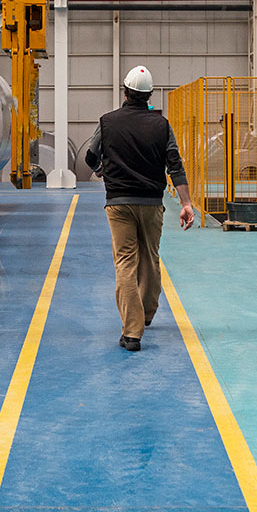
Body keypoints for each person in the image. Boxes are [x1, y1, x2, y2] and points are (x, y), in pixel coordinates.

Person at [84, 65, 196, 352]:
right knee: (150, 258)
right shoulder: (162, 126)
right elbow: (175, 165)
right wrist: (186, 203)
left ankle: (132, 332)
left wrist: (101, 171)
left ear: (125, 92)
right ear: (149, 95)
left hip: (119, 203)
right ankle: (146, 314)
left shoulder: (107, 122)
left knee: (125, 262)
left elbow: (90, 156)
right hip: (152, 203)